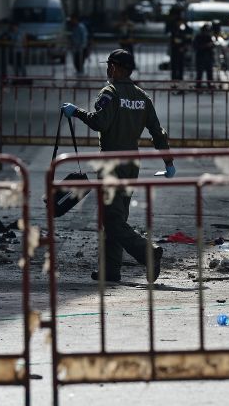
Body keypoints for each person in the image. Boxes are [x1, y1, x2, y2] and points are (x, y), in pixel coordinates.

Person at [60, 49, 176, 283]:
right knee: (116, 218)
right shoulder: (142, 97)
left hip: (111, 163)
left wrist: (77, 112)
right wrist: (168, 162)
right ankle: (110, 271)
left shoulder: (110, 93)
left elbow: (100, 123)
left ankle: (148, 252)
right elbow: (158, 132)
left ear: (116, 67)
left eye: (110, 65)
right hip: (131, 164)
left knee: (111, 220)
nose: (107, 70)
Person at [169, 17, 192, 82]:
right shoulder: (174, 30)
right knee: (174, 66)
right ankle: (173, 79)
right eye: (179, 22)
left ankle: (180, 78)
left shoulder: (183, 30)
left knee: (181, 65)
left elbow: (186, 39)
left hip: (181, 51)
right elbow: (174, 40)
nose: (180, 23)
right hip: (175, 51)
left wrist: (184, 47)